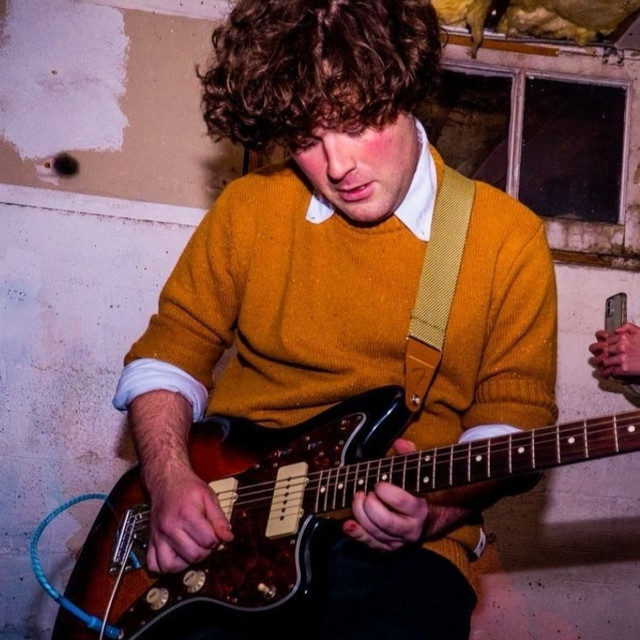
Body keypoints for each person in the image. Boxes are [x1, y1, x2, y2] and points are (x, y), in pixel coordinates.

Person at [112, 0, 558, 637]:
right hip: (232, 523)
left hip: (402, 553)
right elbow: (167, 355)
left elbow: (512, 421)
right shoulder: (249, 208)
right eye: (305, 139)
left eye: (355, 122)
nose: (338, 165)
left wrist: (435, 514)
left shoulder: (506, 238)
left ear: (404, 89)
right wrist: (168, 478)